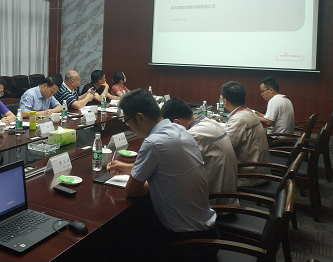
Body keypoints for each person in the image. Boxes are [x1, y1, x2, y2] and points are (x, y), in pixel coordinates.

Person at [107, 89, 218, 261]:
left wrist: (147, 181)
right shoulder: (180, 130)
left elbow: (132, 191)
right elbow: (167, 169)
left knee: (125, 240)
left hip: (186, 245)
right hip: (209, 234)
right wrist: (130, 168)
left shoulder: (153, 143)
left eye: (128, 121)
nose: (129, 127)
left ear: (140, 117)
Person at [161, 98, 239, 206]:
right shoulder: (210, 122)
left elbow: (171, 168)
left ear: (177, 122)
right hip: (229, 196)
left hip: (216, 203)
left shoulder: (193, 135)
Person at [221, 81, 270, 186]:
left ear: (225, 101)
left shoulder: (238, 120)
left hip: (249, 177)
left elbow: (223, 147)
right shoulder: (250, 113)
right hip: (261, 170)